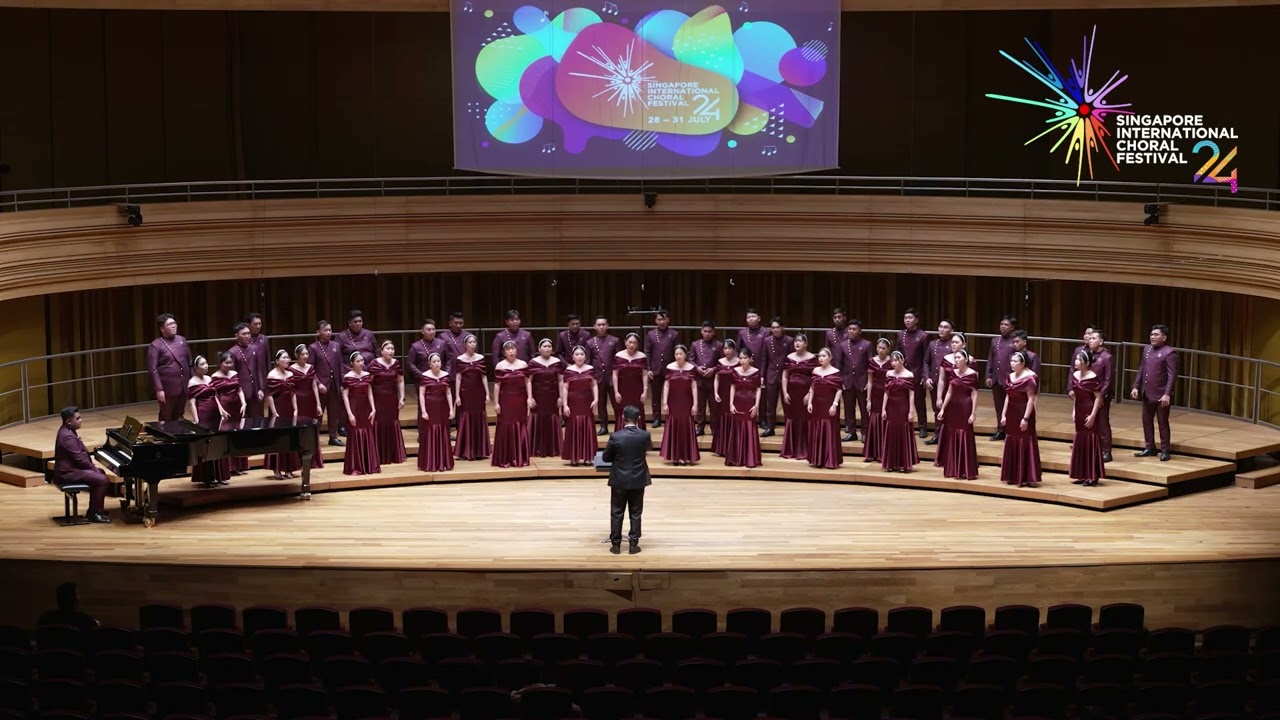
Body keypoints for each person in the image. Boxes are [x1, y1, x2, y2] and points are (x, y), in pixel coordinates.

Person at [602, 405, 653, 555]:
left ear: (623, 418)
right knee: (636, 512)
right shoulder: (644, 435)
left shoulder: (616, 436)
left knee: (617, 512)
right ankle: (633, 545)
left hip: (619, 479)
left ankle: (616, 545)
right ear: (638, 419)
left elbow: (606, 457)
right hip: (638, 479)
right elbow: (648, 448)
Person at [52, 407, 111, 523]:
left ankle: (95, 510)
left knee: (101, 475)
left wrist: (94, 469)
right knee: (102, 479)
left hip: (71, 469)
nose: (81, 420)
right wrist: (93, 469)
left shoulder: (68, 431)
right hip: (66, 473)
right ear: (68, 421)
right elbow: (79, 459)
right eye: (78, 418)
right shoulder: (67, 436)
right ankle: (94, 514)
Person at [1132, 324, 1178, 461]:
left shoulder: (1169, 353)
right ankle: (1150, 447)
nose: (1152, 337)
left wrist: (1167, 394)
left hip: (1161, 394)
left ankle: (1165, 450)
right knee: (1146, 421)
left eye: (1156, 335)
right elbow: (1142, 368)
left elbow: (1172, 375)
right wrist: (1135, 386)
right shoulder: (1146, 349)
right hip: (1147, 392)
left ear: (1164, 337)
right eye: (1152, 334)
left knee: (1162, 422)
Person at [187, 355, 230, 487]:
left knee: (217, 444)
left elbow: (215, 397)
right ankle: (207, 477)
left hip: (215, 415)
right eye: (203, 364)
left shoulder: (209, 378)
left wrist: (222, 410)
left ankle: (219, 475)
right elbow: (192, 403)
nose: (206, 366)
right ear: (196, 368)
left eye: (206, 363)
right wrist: (196, 419)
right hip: (203, 414)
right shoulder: (192, 382)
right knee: (207, 446)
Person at [1000, 351, 1042, 487]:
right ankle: (1012, 475)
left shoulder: (1030, 378)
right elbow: (1007, 396)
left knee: (1025, 441)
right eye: (1011, 361)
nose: (1012, 363)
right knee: (1012, 439)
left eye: (1015, 361)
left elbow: (1031, 399)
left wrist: (1026, 418)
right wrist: (1003, 414)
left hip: (1024, 412)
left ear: (1022, 364)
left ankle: (1026, 476)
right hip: (1012, 412)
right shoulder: (1010, 377)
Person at [936, 350, 979, 480]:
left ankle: (965, 469)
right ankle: (953, 468)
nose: (956, 360)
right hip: (953, 407)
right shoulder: (952, 373)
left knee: (965, 434)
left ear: (966, 360)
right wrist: (943, 409)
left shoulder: (972, 374)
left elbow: (974, 394)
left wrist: (973, 413)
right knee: (953, 434)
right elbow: (949, 392)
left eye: (958, 358)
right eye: (955, 358)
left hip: (965, 406)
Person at [492, 341, 533, 468]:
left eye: (513, 349)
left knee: (520, 424)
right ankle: (506, 457)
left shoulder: (523, 364)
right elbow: (497, 385)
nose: (511, 351)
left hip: (520, 400)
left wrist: (530, 397)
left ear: (517, 350)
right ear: (504, 352)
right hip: (506, 400)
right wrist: (496, 402)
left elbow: (528, 382)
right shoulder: (500, 366)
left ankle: (521, 457)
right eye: (508, 349)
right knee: (506, 426)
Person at [264, 350, 302, 479]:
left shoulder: (290, 374)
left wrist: (296, 409)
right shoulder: (272, 375)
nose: (287, 360)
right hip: (278, 408)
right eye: (284, 358)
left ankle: (289, 468)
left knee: (289, 438)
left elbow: (293, 393)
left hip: (289, 408)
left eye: (288, 357)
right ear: (277, 360)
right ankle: (277, 469)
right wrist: (274, 413)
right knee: (278, 438)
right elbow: (269, 396)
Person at [1070, 350, 1106, 486]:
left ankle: (1092, 475)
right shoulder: (1074, 375)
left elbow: (1098, 398)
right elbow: (1076, 396)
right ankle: (1081, 474)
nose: (1076, 362)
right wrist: (1074, 410)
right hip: (1079, 410)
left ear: (1086, 363)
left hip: (1090, 411)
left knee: (1090, 441)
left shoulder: (1093, 377)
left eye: (1079, 360)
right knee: (1080, 441)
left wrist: (1093, 415)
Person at [341, 353, 381, 476]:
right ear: (352, 363)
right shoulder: (347, 377)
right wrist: (349, 413)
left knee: (367, 432)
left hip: (365, 408)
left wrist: (373, 409)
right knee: (355, 433)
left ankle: (369, 465)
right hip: (354, 407)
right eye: (358, 361)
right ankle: (356, 466)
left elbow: (370, 392)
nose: (361, 363)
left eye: (362, 360)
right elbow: (345, 396)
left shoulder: (367, 375)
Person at [659, 345, 699, 465]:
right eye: (676, 354)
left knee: (685, 426)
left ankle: (685, 456)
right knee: (673, 424)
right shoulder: (669, 367)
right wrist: (665, 402)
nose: (678, 356)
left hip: (686, 401)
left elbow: (694, 386)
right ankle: (674, 456)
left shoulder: (692, 368)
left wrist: (695, 403)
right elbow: (666, 385)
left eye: (680, 354)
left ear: (685, 355)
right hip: (673, 401)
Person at [148, 313, 192, 421]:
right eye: (170, 324)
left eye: (174, 323)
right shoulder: (156, 345)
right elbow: (153, 369)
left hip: (183, 383)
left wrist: (192, 381)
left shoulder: (182, 340)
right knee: (166, 415)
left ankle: (179, 435)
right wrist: (159, 389)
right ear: (162, 329)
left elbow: (189, 362)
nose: (174, 326)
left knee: (180, 413)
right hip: (167, 387)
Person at [369, 340, 407, 465]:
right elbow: (369, 382)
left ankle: (393, 454)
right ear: (382, 351)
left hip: (392, 398)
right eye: (388, 348)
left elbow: (400, 381)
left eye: (392, 349)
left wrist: (402, 397)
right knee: (379, 422)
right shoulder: (374, 364)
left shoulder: (396, 363)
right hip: (378, 398)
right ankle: (378, 454)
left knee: (392, 422)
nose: (391, 351)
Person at [407, 319, 449, 433]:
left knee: (442, 405)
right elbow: (410, 363)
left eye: (433, 329)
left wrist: (445, 374)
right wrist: (421, 376)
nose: (431, 331)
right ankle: (423, 433)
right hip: (423, 381)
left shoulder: (441, 343)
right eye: (428, 329)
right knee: (423, 407)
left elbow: (448, 360)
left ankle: (444, 431)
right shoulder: (416, 346)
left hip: (440, 380)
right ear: (422, 331)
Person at [453, 335, 491, 461]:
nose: (472, 344)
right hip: (465, 393)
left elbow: (484, 377)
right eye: (470, 342)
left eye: (474, 341)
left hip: (478, 393)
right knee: (466, 417)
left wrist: (487, 393)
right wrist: (457, 395)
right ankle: (466, 449)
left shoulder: (481, 358)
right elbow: (458, 378)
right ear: (465, 344)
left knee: (479, 417)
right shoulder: (460, 359)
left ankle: (480, 450)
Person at [780, 334, 817, 460]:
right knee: (792, 418)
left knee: (805, 418)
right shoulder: (789, 357)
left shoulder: (812, 358)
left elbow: (815, 378)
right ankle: (791, 449)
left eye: (800, 341)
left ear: (806, 344)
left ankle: (805, 449)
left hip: (805, 392)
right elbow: (785, 375)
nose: (797, 343)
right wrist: (785, 392)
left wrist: (809, 394)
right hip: (791, 392)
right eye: (796, 341)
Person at [211, 352, 249, 474]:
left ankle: (238, 466)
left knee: (238, 435)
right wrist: (221, 409)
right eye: (226, 363)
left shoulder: (235, 373)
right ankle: (228, 467)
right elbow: (214, 395)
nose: (229, 365)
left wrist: (244, 403)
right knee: (226, 436)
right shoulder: (214, 376)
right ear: (220, 363)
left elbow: (239, 389)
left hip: (237, 406)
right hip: (225, 406)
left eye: (230, 363)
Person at [560, 346, 599, 466]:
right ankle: (574, 456)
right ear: (572, 357)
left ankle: (588, 457)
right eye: (577, 354)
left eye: (582, 354)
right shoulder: (568, 370)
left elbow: (594, 385)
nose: (579, 356)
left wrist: (596, 399)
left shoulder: (590, 369)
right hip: (573, 401)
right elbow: (565, 388)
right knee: (573, 427)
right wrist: (565, 404)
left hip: (586, 401)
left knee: (587, 426)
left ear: (585, 356)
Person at [881, 351, 919, 473]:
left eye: (896, 360)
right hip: (891, 406)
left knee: (903, 432)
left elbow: (911, 395)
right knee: (891, 432)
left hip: (903, 406)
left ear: (902, 360)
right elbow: (886, 392)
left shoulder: (909, 375)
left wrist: (911, 411)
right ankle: (891, 463)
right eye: (892, 361)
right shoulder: (888, 374)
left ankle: (904, 463)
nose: (893, 363)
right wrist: (883, 408)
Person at [417, 353, 455, 472]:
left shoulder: (446, 375)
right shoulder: (424, 376)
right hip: (430, 407)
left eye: (438, 361)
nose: (437, 363)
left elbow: (448, 393)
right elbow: (421, 394)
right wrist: (423, 411)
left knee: (443, 430)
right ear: (430, 364)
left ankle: (443, 461)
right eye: (434, 362)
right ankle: (430, 462)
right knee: (430, 431)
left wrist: (451, 409)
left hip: (442, 408)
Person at [725, 348, 763, 468]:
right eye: (740, 358)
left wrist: (756, 405)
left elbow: (758, 389)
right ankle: (736, 457)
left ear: (751, 359)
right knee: (736, 427)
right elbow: (732, 387)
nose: (742, 360)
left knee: (749, 427)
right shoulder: (735, 371)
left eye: (745, 358)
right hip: (738, 402)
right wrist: (731, 404)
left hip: (750, 402)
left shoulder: (756, 372)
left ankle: (750, 458)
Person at [806, 348, 843, 469]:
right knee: (817, 427)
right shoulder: (815, 370)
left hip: (829, 404)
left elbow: (838, 390)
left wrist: (834, 405)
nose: (821, 358)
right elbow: (812, 388)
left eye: (823, 356)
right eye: (819, 356)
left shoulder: (835, 372)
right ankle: (817, 459)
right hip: (817, 403)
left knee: (829, 428)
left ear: (830, 358)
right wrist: (810, 402)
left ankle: (830, 459)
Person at [895, 308, 929, 439]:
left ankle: (922, 427)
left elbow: (926, 358)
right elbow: (897, 354)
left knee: (919, 402)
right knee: (902, 401)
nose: (907, 320)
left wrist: (924, 375)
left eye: (910, 318)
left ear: (916, 320)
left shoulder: (923, 335)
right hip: (903, 373)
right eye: (905, 318)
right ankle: (904, 425)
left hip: (917, 373)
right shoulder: (900, 334)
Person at [309, 321, 345, 446]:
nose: (329, 332)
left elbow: (340, 365)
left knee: (334, 412)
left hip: (334, 384)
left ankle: (333, 436)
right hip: (321, 386)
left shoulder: (336, 345)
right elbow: (311, 369)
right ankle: (314, 437)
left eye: (330, 330)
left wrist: (341, 383)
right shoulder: (313, 347)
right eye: (326, 330)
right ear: (318, 332)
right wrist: (318, 383)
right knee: (318, 413)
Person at [290, 345, 325, 470]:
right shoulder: (291, 369)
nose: (305, 356)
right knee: (299, 429)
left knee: (311, 429)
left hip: (310, 400)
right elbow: (291, 389)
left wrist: (318, 404)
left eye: (307, 354)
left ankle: (313, 459)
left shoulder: (311, 368)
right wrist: (294, 407)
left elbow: (314, 386)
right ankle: (299, 459)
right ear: (297, 356)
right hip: (299, 401)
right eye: (303, 354)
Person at [528, 339, 564, 458]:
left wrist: (561, 396)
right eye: (545, 346)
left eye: (549, 346)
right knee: (537, 418)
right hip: (538, 396)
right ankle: (536, 448)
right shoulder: (533, 362)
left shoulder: (557, 362)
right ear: (539, 349)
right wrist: (530, 397)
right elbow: (529, 381)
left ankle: (553, 448)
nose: (547, 348)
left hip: (552, 396)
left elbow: (560, 380)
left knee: (552, 418)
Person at [923, 320, 956, 445]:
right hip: (935, 382)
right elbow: (926, 362)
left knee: (950, 410)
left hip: (950, 383)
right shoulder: (932, 344)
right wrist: (926, 377)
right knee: (937, 409)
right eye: (940, 326)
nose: (942, 329)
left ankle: (949, 436)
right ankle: (938, 435)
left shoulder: (953, 344)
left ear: (951, 330)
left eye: (945, 327)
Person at [838, 321, 872, 442]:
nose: (851, 331)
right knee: (848, 408)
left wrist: (869, 381)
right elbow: (839, 364)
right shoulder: (842, 345)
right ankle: (852, 432)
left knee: (864, 409)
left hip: (862, 381)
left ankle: (865, 432)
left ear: (860, 331)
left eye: (854, 329)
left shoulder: (867, 344)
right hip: (847, 381)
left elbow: (870, 365)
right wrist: (840, 380)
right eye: (850, 329)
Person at [644, 311, 679, 427]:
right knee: (655, 396)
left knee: (672, 395)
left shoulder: (674, 334)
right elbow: (647, 352)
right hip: (655, 369)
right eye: (659, 319)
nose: (662, 322)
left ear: (668, 320)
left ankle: (671, 417)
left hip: (670, 369)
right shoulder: (650, 334)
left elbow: (678, 352)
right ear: (655, 321)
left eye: (664, 319)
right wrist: (648, 368)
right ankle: (656, 418)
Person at [986, 315, 1018, 440]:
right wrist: (988, 375)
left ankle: (1011, 429)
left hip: (1010, 379)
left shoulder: (1015, 341)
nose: (1003, 327)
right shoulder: (995, 341)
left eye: (1006, 325)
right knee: (999, 406)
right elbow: (990, 358)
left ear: (1012, 328)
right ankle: (1001, 429)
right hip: (996, 378)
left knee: (1011, 406)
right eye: (1001, 324)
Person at [736, 309, 769, 429]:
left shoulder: (766, 332)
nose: (750, 319)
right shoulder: (742, 333)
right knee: (746, 394)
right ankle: (746, 416)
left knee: (762, 394)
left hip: (761, 365)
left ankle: (763, 419)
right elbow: (738, 351)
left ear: (759, 318)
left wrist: (763, 372)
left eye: (753, 316)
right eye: (748, 317)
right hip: (745, 368)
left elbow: (767, 353)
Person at [761, 318, 794, 438]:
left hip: (786, 375)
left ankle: (788, 428)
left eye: (777, 327)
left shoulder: (790, 340)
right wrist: (762, 376)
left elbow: (792, 359)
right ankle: (770, 427)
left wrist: (791, 375)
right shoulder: (767, 340)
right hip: (771, 375)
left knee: (787, 403)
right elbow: (764, 359)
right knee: (771, 404)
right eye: (773, 327)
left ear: (782, 327)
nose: (775, 329)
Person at [588, 316, 620, 436]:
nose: (601, 327)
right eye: (599, 325)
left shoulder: (614, 340)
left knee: (616, 403)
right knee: (601, 403)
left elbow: (618, 359)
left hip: (612, 377)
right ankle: (603, 426)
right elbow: (588, 361)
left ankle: (619, 425)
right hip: (598, 377)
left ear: (607, 326)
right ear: (595, 327)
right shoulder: (590, 342)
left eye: (603, 324)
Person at [1086, 329, 1115, 462]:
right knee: (1090, 422)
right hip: (1089, 394)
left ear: (1101, 341)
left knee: (1103, 423)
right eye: (1089, 338)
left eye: (1093, 338)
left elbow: (1109, 379)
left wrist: (1101, 396)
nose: (1090, 340)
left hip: (1101, 396)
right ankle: (1093, 449)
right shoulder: (1089, 355)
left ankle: (1106, 452)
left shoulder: (1107, 357)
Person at [690, 322, 723, 437]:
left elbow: (722, 363)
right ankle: (700, 427)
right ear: (701, 331)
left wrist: (713, 369)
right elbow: (690, 360)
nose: (707, 334)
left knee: (714, 406)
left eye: (709, 332)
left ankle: (715, 428)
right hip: (699, 379)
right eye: (705, 331)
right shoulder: (695, 344)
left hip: (713, 380)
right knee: (700, 405)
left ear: (713, 332)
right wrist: (697, 368)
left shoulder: (719, 345)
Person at [862, 339, 893, 463]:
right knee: (874, 421)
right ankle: (872, 453)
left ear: (888, 350)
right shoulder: (871, 361)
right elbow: (869, 381)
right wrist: (868, 399)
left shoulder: (892, 362)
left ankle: (883, 453)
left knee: (885, 420)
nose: (881, 350)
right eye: (879, 348)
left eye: (884, 348)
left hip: (887, 394)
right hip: (875, 393)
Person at [229, 322, 266, 418]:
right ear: (236, 336)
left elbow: (258, 370)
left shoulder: (254, 348)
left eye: (248, 333)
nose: (247, 336)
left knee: (257, 417)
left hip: (255, 390)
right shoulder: (232, 352)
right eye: (244, 334)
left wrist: (261, 388)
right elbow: (232, 376)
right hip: (242, 391)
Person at [612, 334, 649, 431]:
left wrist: (645, 391)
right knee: (622, 409)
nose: (632, 345)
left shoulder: (642, 356)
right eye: (630, 342)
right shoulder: (618, 355)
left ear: (638, 344)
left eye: (634, 343)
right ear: (625, 342)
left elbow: (645, 374)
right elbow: (615, 374)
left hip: (637, 388)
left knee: (638, 409)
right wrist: (616, 391)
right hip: (623, 388)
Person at [711, 340, 738, 457]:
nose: (727, 351)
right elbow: (716, 378)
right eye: (725, 349)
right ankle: (721, 447)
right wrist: (715, 392)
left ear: (734, 349)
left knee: (733, 418)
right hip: (722, 393)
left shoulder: (738, 362)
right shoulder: (720, 362)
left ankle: (733, 447)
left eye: (729, 348)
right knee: (721, 418)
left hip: (734, 394)